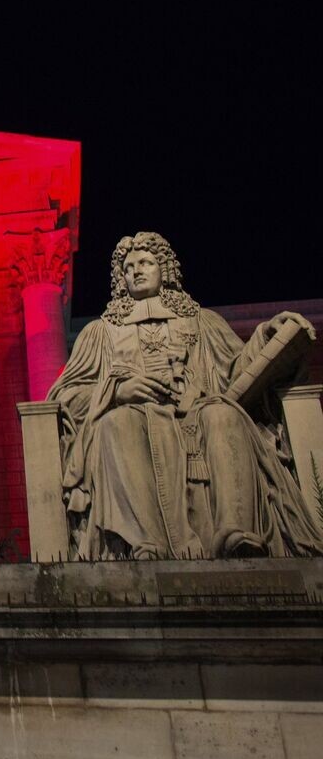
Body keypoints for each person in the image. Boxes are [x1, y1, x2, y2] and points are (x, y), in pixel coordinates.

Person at [49, 232, 323, 559]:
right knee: (116, 426)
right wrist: (118, 391)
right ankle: (146, 543)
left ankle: (236, 533)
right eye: (128, 266)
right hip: (134, 417)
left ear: (163, 269)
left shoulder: (203, 322)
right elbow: (68, 395)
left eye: (146, 262)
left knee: (224, 414)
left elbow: (236, 373)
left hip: (196, 413)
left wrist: (267, 335)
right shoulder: (101, 333)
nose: (136, 271)